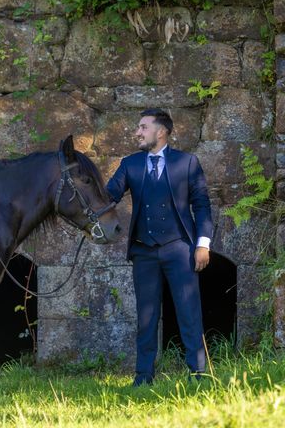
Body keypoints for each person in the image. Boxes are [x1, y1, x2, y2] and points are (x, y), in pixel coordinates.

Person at [105, 108, 213, 386]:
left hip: (180, 248)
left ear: (160, 132)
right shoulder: (130, 164)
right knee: (146, 315)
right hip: (144, 250)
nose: (137, 132)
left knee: (189, 311)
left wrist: (203, 244)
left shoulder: (187, 162)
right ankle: (143, 376)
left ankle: (199, 374)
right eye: (138, 127)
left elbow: (201, 205)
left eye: (143, 127)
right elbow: (108, 195)